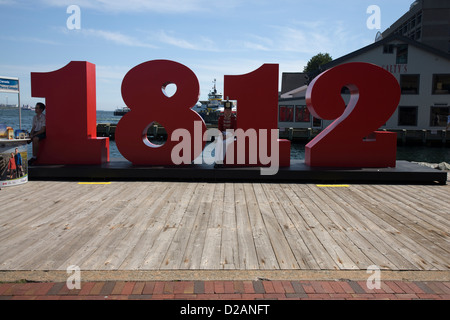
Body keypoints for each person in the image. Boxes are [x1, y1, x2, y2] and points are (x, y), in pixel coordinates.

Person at [215, 102, 237, 167]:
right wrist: (221, 135)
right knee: (218, 143)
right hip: (222, 134)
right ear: (224, 110)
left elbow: (234, 130)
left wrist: (227, 136)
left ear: (230, 111)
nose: (227, 111)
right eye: (226, 110)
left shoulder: (234, 118)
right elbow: (219, 128)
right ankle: (217, 161)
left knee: (224, 143)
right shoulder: (221, 118)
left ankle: (221, 161)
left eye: (228, 110)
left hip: (230, 134)